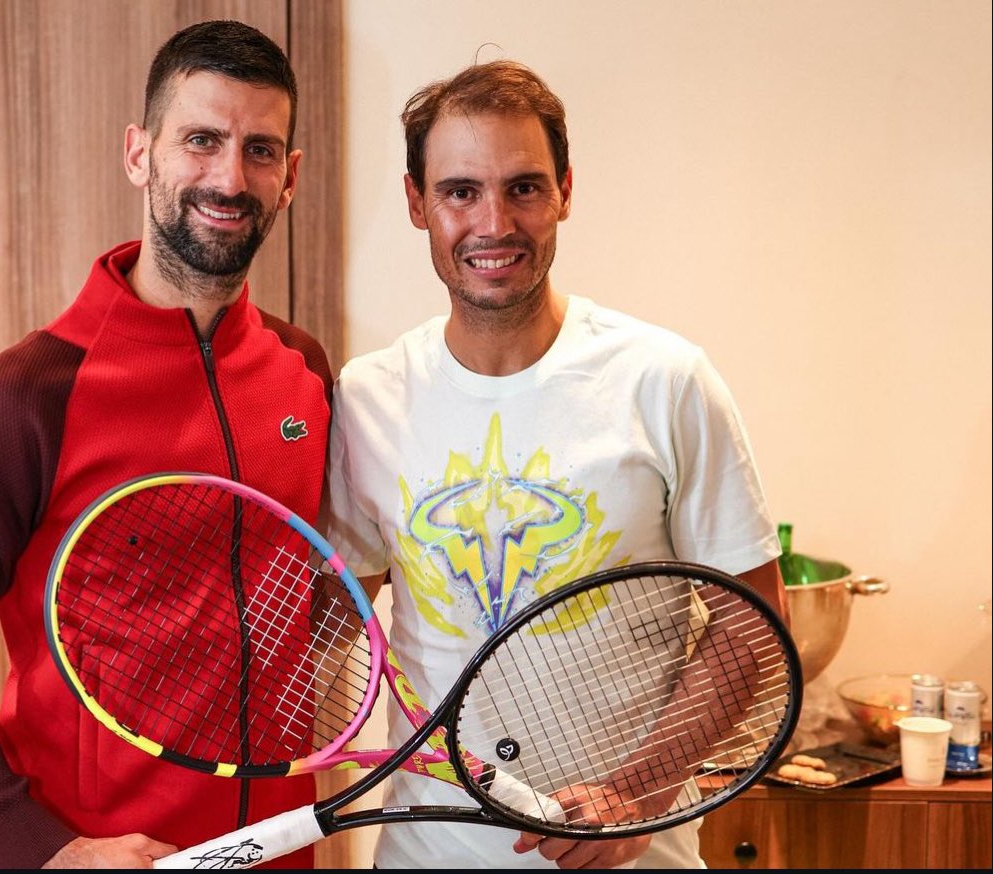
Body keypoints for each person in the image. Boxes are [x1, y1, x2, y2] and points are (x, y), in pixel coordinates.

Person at [0, 20, 330, 870]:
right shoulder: (18, 400)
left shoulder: (303, 369)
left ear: (290, 177)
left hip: (282, 854)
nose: (230, 177)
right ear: (138, 154)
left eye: (260, 150)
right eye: (200, 140)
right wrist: (45, 851)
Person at [323, 60, 789, 869]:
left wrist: (637, 793)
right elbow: (335, 626)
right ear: (416, 203)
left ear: (565, 191)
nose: (493, 222)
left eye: (524, 188)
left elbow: (752, 628)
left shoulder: (664, 380)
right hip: (427, 854)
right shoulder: (366, 397)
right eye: (460, 191)